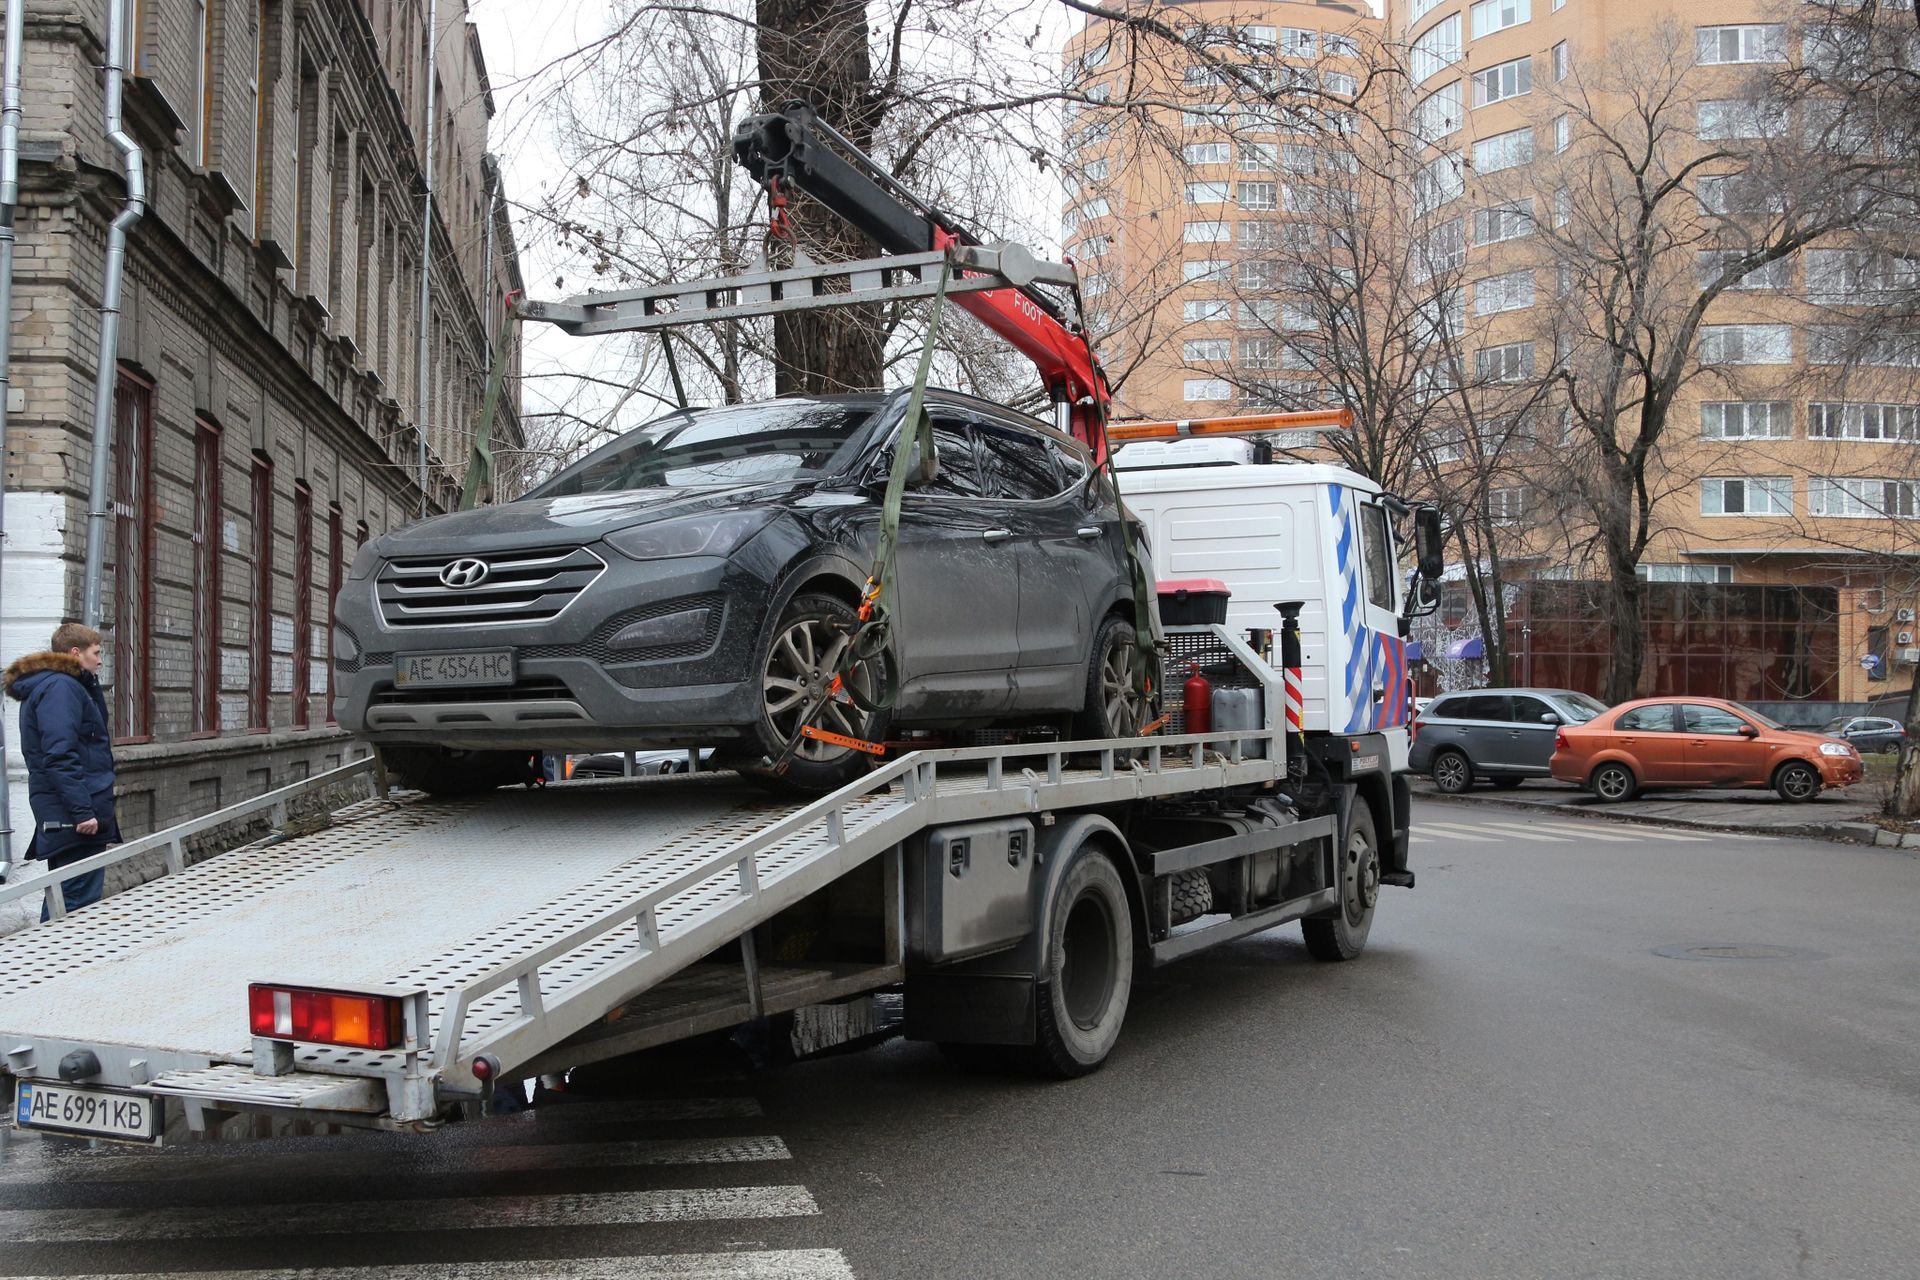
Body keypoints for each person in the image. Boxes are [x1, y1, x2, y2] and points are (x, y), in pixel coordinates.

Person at [5, 622, 119, 917]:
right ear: (75, 652)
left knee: (69, 899)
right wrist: (83, 811)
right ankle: (51, 961)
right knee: (73, 904)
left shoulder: (63, 685)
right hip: (74, 815)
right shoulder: (61, 688)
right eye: (96, 652)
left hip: (71, 810)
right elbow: (59, 754)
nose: (100, 659)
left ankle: (56, 959)